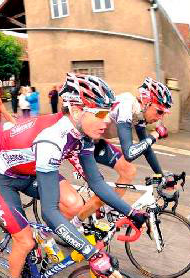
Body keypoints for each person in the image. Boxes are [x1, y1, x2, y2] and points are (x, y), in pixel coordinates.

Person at [0, 73, 147, 278]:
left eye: (108, 113)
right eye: (100, 113)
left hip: (32, 169)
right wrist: (92, 254)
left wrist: (132, 213)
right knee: (25, 241)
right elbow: (49, 212)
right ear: (77, 109)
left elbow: (98, 185)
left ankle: (46, 236)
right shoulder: (52, 139)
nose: (107, 122)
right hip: (3, 178)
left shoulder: (83, 133)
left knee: (74, 204)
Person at [72, 75, 171, 223]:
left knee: (129, 171)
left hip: (96, 141)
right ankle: (75, 224)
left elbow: (146, 148)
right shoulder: (126, 104)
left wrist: (160, 175)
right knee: (102, 194)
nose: (160, 117)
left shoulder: (139, 113)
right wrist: (155, 135)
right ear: (147, 102)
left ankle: (108, 209)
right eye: (159, 111)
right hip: (79, 143)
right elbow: (129, 153)